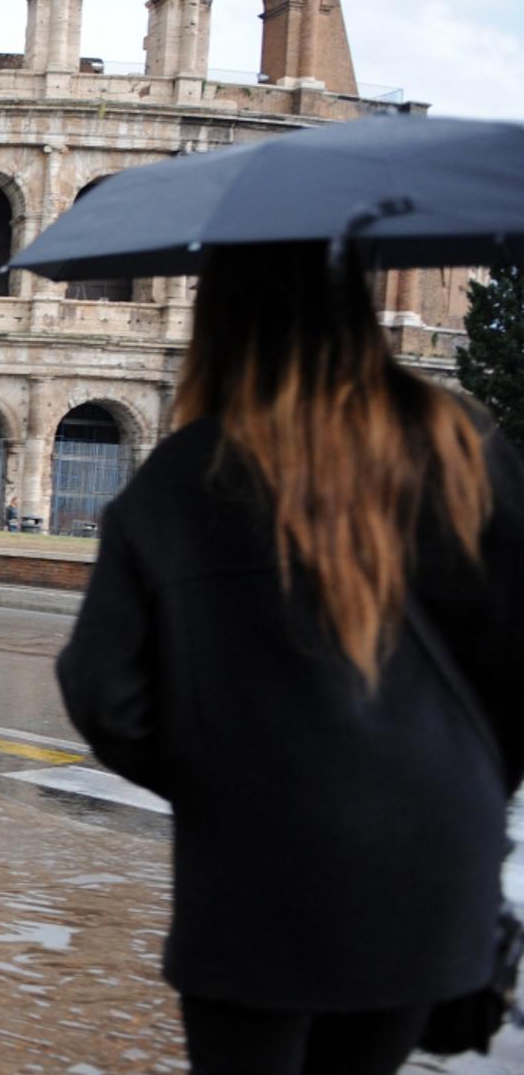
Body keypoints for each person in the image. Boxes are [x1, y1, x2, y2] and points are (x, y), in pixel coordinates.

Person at [55, 243, 524, 1075]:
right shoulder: (460, 445)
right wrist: (468, 790)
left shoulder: (184, 473)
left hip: (256, 869)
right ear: (353, 304)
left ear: (221, 322)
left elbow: (103, 693)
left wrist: (225, 780)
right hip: (430, 857)